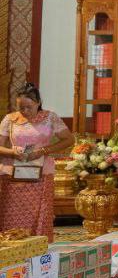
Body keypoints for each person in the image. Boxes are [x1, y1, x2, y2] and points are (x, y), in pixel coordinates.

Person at [0, 84, 73, 241]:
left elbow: (69, 139)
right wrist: (13, 152)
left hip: (41, 173)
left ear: (38, 102)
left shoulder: (50, 117)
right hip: (13, 174)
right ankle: (12, 246)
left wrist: (43, 151)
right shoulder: (10, 120)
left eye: (29, 107)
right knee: (10, 212)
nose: (25, 111)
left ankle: (39, 246)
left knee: (40, 212)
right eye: (21, 107)